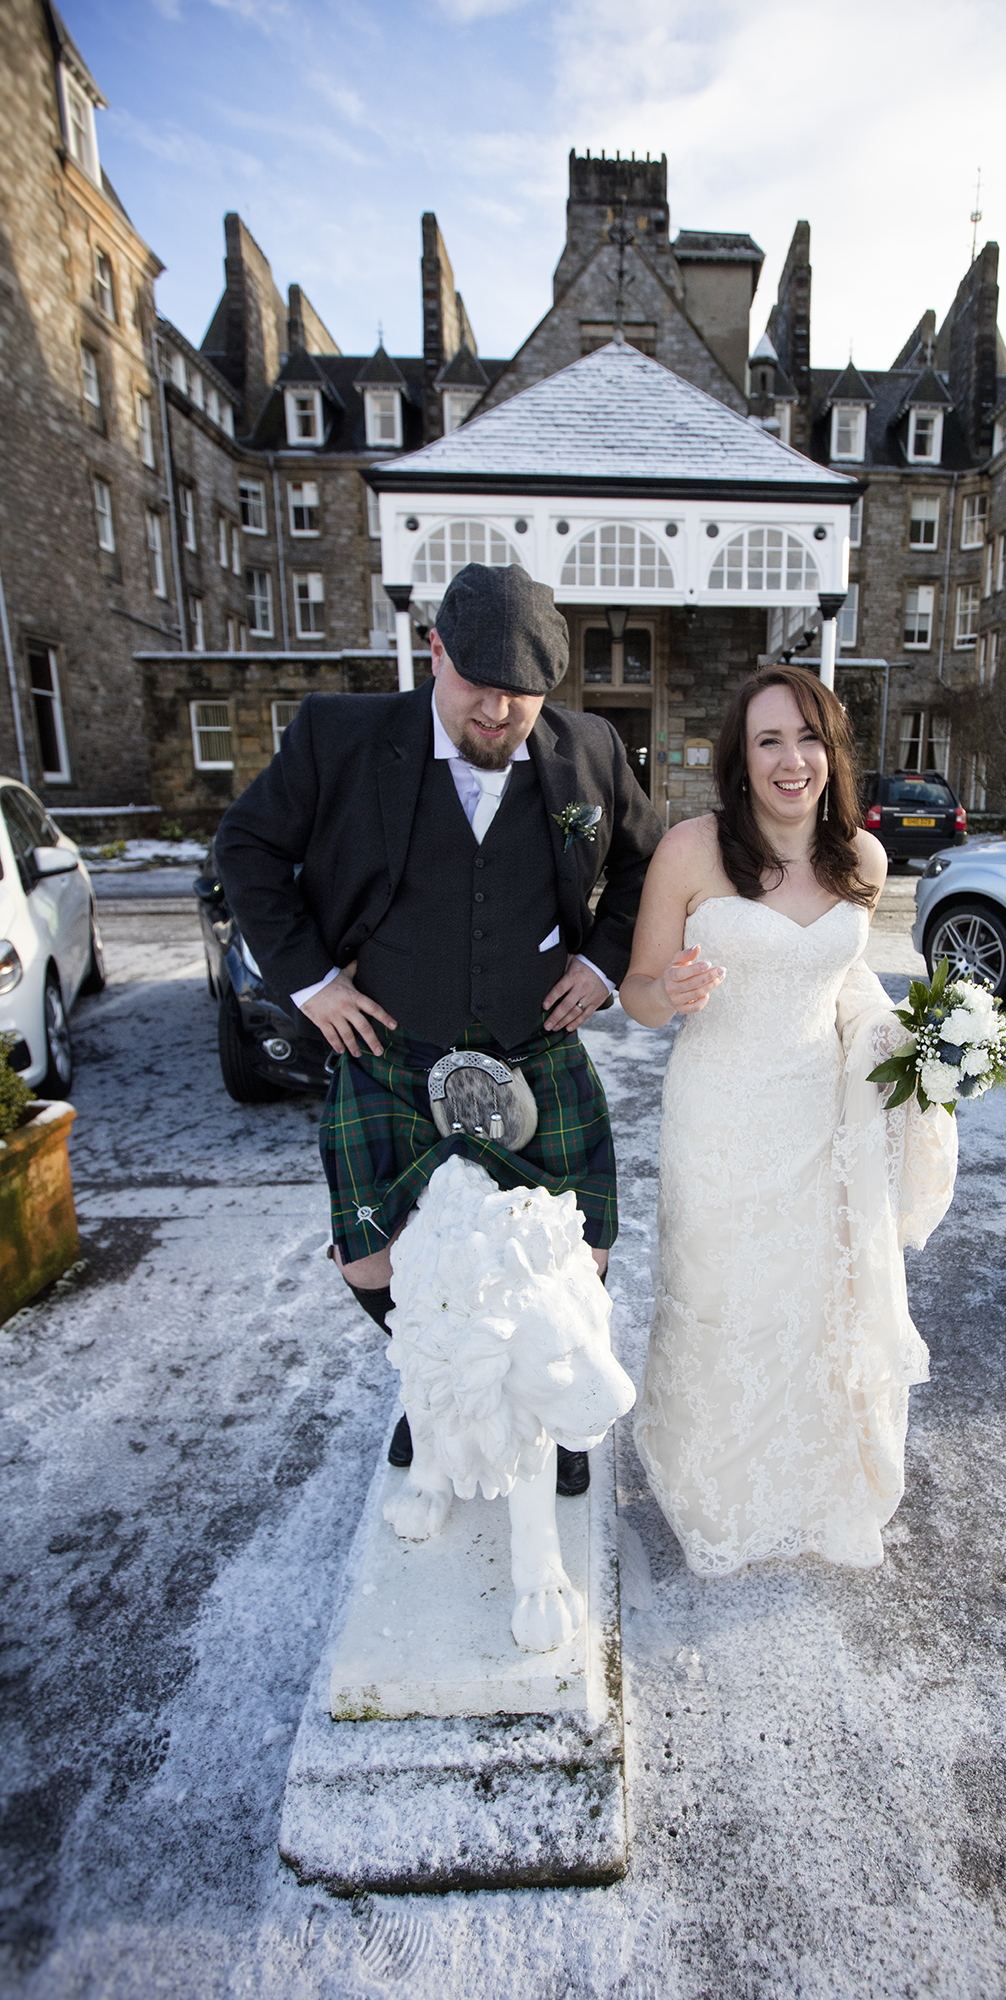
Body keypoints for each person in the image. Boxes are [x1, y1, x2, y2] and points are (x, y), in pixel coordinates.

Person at [214, 564, 661, 1492]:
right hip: (387, 1046)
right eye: (477, 685)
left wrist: (600, 963)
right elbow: (245, 847)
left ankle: (545, 1409)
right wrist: (310, 982)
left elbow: (641, 868)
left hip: (534, 1043)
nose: (497, 712)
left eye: (521, 694)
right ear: (434, 653)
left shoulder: (588, 750)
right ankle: (437, 1385)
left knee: (580, 1246)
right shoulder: (339, 736)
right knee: (371, 1255)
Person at [620, 666, 957, 1574]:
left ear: (832, 753)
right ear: (741, 757)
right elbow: (636, 993)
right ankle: (714, 1487)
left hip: (820, 1119)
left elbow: (845, 979)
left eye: (808, 738)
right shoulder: (691, 851)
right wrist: (667, 991)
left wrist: (905, 1040)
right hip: (719, 1118)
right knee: (724, 1301)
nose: (790, 759)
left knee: (812, 1305)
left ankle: (804, 1485)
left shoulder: (863, 859)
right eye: (768, 740)